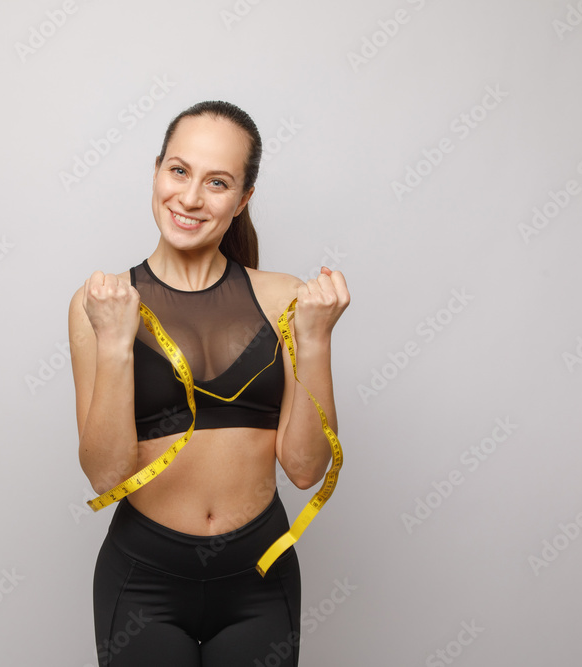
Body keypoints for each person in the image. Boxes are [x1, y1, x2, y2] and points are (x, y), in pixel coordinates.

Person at [68, 100, 350, 667]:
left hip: (259, 578)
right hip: (143, 581)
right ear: (156, 171)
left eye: (217, 182)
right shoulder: (100, 304)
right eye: (179, 171)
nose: (191, 198)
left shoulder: (284, 299)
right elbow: (104, 472)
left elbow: (304, 470)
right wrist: (119, 342)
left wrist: (315, 342)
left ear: (243, 198)